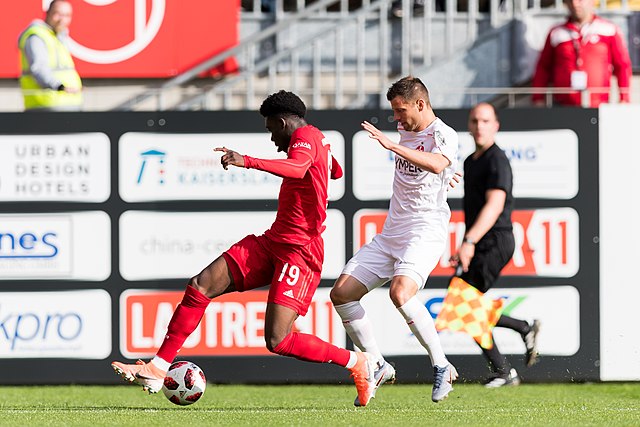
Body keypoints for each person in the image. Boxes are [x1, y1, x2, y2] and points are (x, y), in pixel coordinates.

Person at [112, 90, 381, 407]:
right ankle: (157, 367)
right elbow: (334, 171)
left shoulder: (306, 136)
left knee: (278, 340)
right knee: (201, 285)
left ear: (282, 122)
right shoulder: (315, 139)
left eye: (271, 130)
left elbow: (296, 169)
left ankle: (359, 363)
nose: (272, 139)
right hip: (273, 242)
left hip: (300, 252)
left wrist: (248, 161)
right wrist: (323, 160)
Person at [330, 76, 459, 405]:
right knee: (342, 293)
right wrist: (447, 171)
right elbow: (438, 166)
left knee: (401, 292)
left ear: (421, 104)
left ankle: (442, 365)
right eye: (394, 113)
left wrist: (393, 146)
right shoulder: (409, 129)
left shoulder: (443, 133)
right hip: (392, 232)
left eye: (401, 111)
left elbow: (437, 162)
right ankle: (377, 363)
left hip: (424, 229)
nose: (397, 119)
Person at [440, 103, 540, 388]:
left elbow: (495, 206)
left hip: (496, 240)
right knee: (462, 302)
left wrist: (469, 241)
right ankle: (514, 345)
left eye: (485, 120)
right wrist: (465, 244)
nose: (480, 125)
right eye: (475, 120)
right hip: (480, 241)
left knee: (462, 302)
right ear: (469, 126)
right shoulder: (471, 161)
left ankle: (506, 365)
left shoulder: (497, 159)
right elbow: (475, 209)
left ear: (496, 125)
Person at [531, 0, 632, 107]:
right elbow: (543, 67)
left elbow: (622, 65)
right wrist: (538, 98)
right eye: (570, 0)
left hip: (598, 106)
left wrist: (624, 98)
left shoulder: (609, 30)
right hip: (563, 107)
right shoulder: (556, 32)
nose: (575, 4)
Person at [17, 0, 82, 111]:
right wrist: (60, 87)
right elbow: (39, 69)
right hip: (46, 106)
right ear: (48, 13)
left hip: (68, 104)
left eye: (67, 15)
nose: (62, 19)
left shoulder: (57, 37)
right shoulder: (37, 36)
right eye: (58, 14)